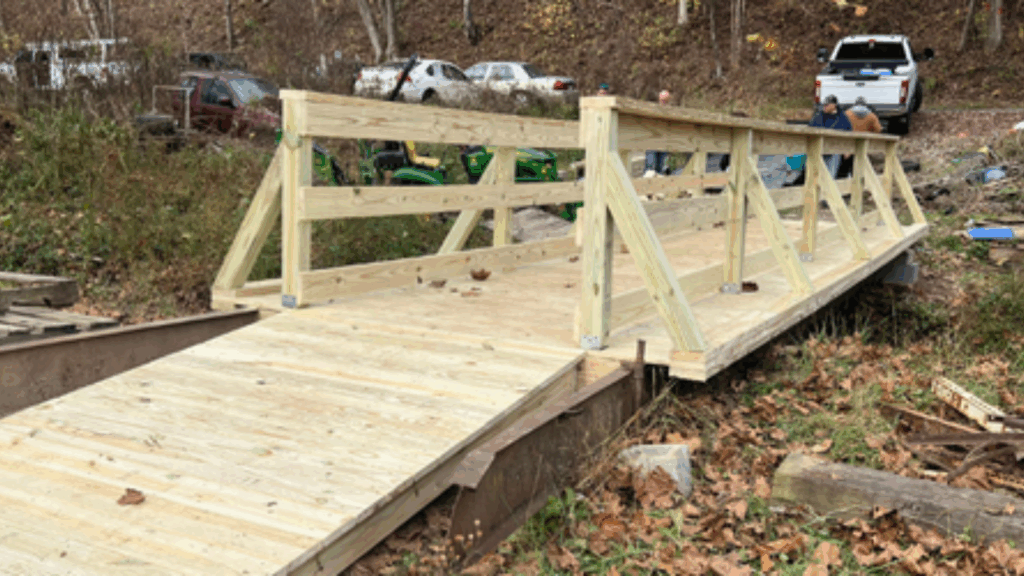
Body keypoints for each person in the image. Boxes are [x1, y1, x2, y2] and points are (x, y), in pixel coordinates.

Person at [809, 94, 852, 179]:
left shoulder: (843, 118)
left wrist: (848, 149)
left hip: (834, 149)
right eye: (824, 104)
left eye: (827, 105)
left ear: (834, 105)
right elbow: (810, 129)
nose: (824, 106)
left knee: (830, 175)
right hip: (819, 148)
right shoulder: (818, 116)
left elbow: (849, 134)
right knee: (815, 175)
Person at [644, 90, 672, 176]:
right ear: (659, 99)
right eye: (662, 100)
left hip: (664, 142)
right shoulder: (653, 109)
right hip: (652, 140)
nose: (663, 102)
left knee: (660, 168)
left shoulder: (671, 111)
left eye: (665, 100)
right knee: (650, 167)